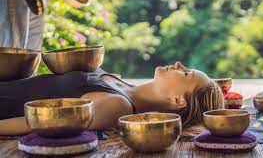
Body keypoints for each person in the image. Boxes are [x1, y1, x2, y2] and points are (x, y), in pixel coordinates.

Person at [0, 61, 224, 135]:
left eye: (185, 73)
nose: (178, 64)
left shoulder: (117, 106)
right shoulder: (121, 84)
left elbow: (38, 123)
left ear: (178, 100)